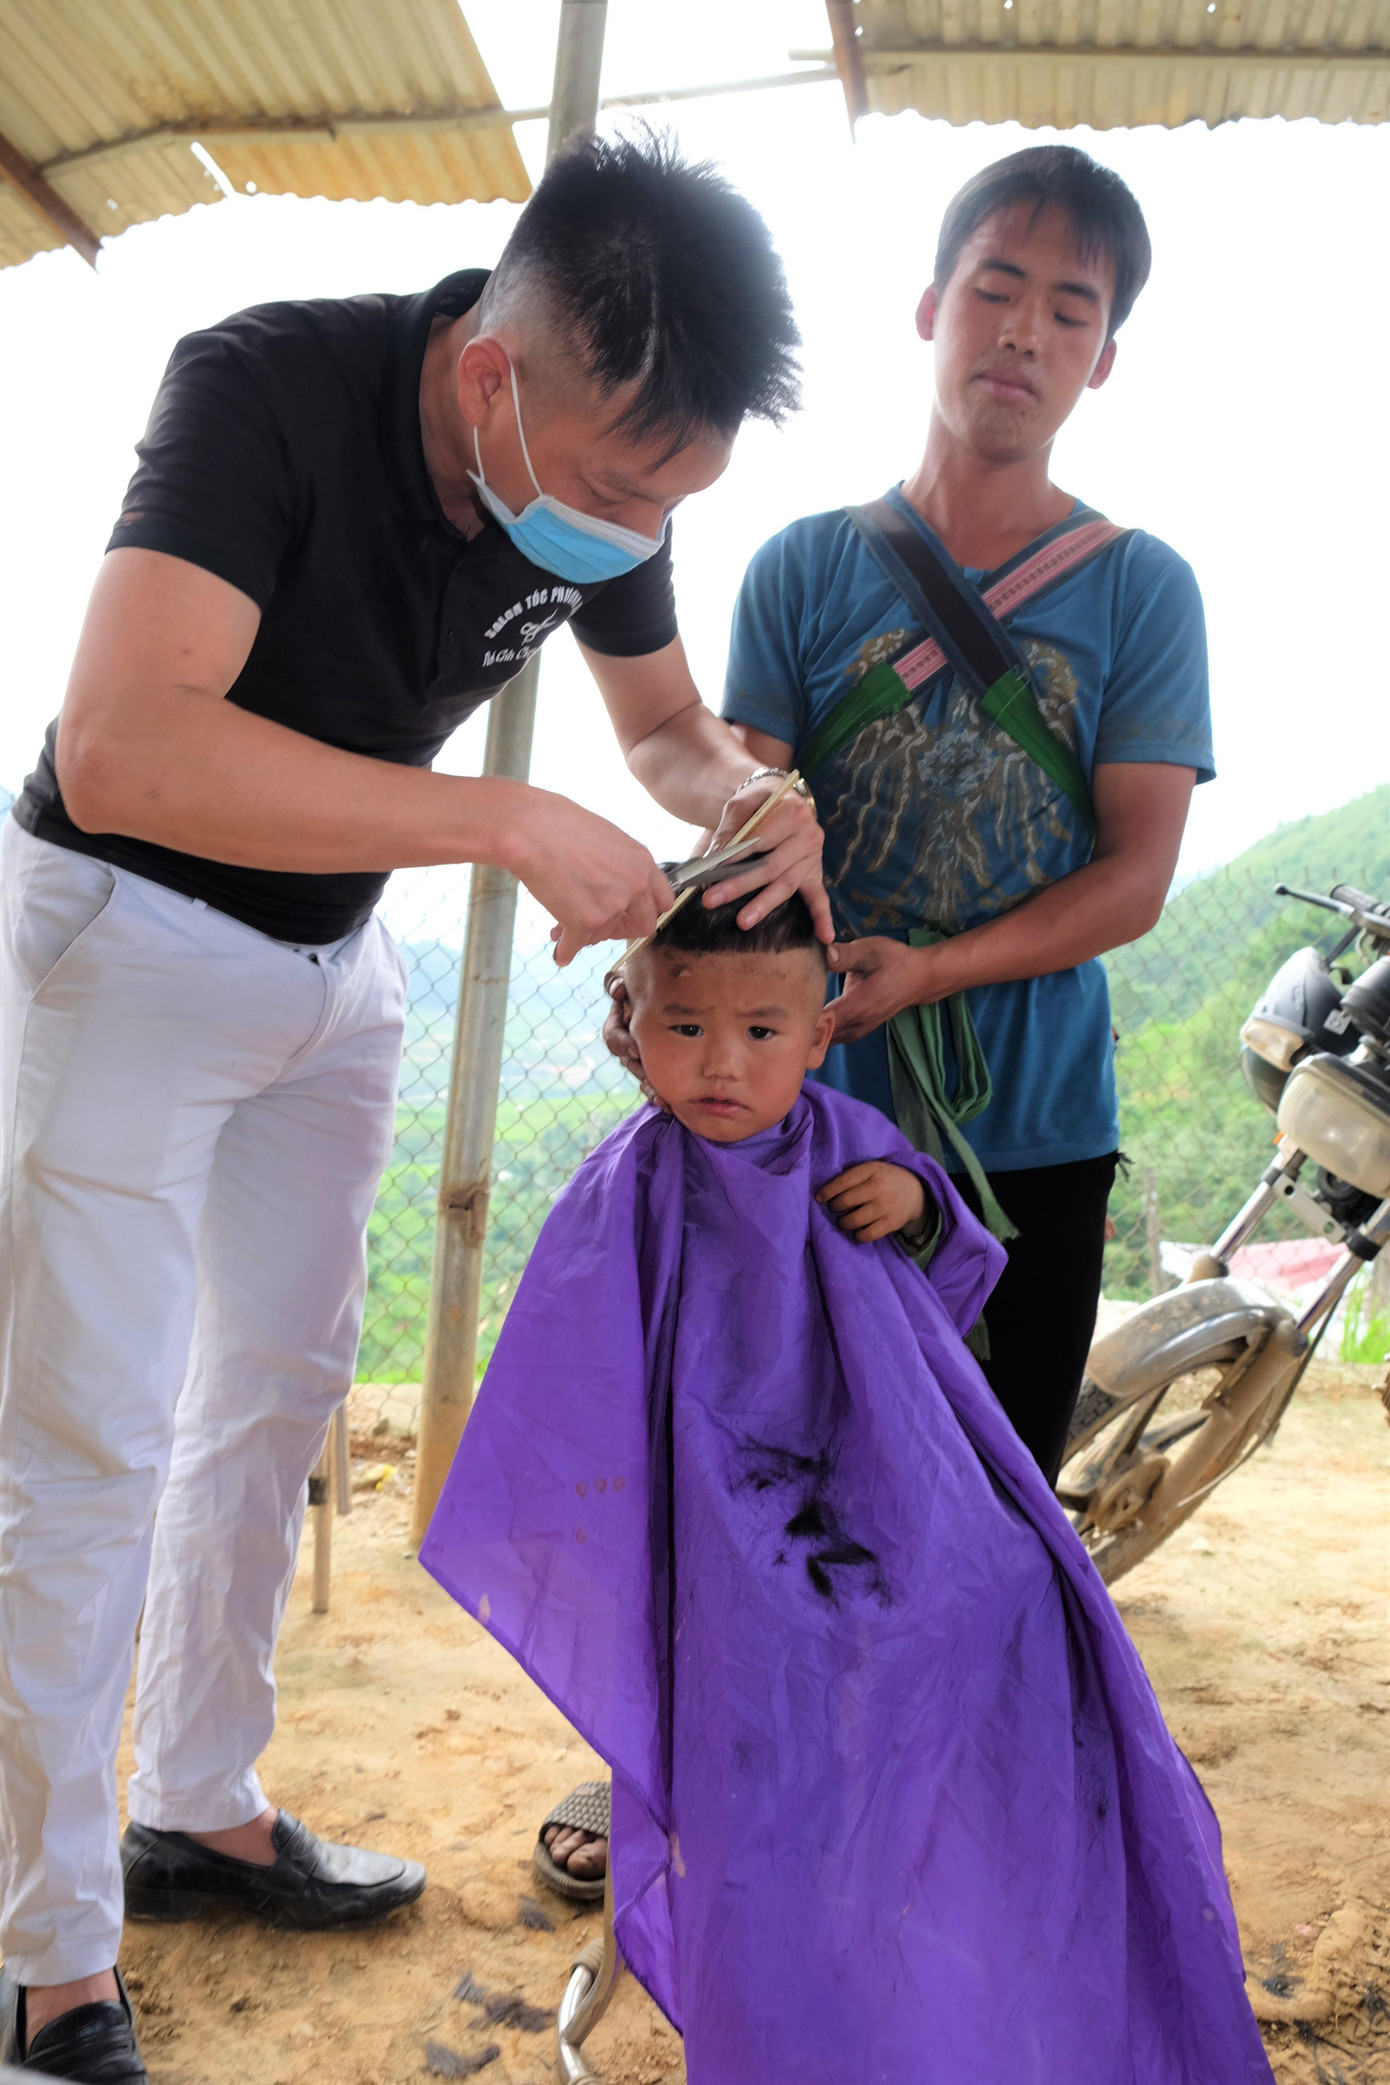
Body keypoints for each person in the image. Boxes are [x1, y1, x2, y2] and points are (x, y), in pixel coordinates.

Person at [0, 133, 827, 2084]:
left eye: (670, 505)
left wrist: (747, 796)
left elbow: (658, 725)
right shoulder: (265, 385)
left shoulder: (608, 464)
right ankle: (42, 1964)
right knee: (85, 1443)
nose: (631, 533)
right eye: (618, 495)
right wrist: (500, 819)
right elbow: (122, 745)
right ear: (487, 377)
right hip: (120, 940)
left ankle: (197, 1802)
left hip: (326, 958)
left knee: (276, 1390)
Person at [422, 885, 1273, 2085]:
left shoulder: (847, 1143)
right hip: (714, 1508)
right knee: (760, 1685)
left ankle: (937, 1894)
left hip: (881, 1475)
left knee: (1009, 1597)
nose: (722, 1063)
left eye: (761, 1031)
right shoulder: (632, 1179)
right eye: (684, 1027)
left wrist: (918, 1202)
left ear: (822, 1033)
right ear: (629, 1019)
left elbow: (958, 1272)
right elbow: (568, 1385)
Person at [713, 144, 1212, 1493]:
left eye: (1068, 310)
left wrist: (932, 970)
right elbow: (736, 833)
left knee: (991, 1511)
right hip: (808, 1118)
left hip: (1033, 1140)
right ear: (930, 307)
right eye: (995, 289)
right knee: (787, 1503)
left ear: (1101, 359)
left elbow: (1135, 878)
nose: (1022, 333)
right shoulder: (801, 569)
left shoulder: (1142, 592)